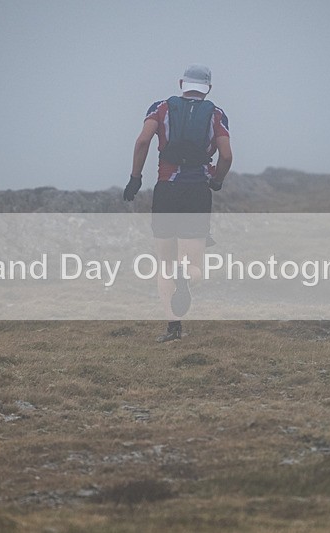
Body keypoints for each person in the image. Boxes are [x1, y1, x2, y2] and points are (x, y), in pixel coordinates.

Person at [124, 64, 232, 342]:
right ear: (208, 87)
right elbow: (227, 155)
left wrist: (135, 178)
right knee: (194, 265)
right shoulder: (217, 115)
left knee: (164, 264)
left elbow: (142, 142)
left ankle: (173, 328)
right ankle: (187, 275)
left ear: (181, 82)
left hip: (167, 191)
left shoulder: (160, 108)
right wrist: (216, 180)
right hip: (196, 191)